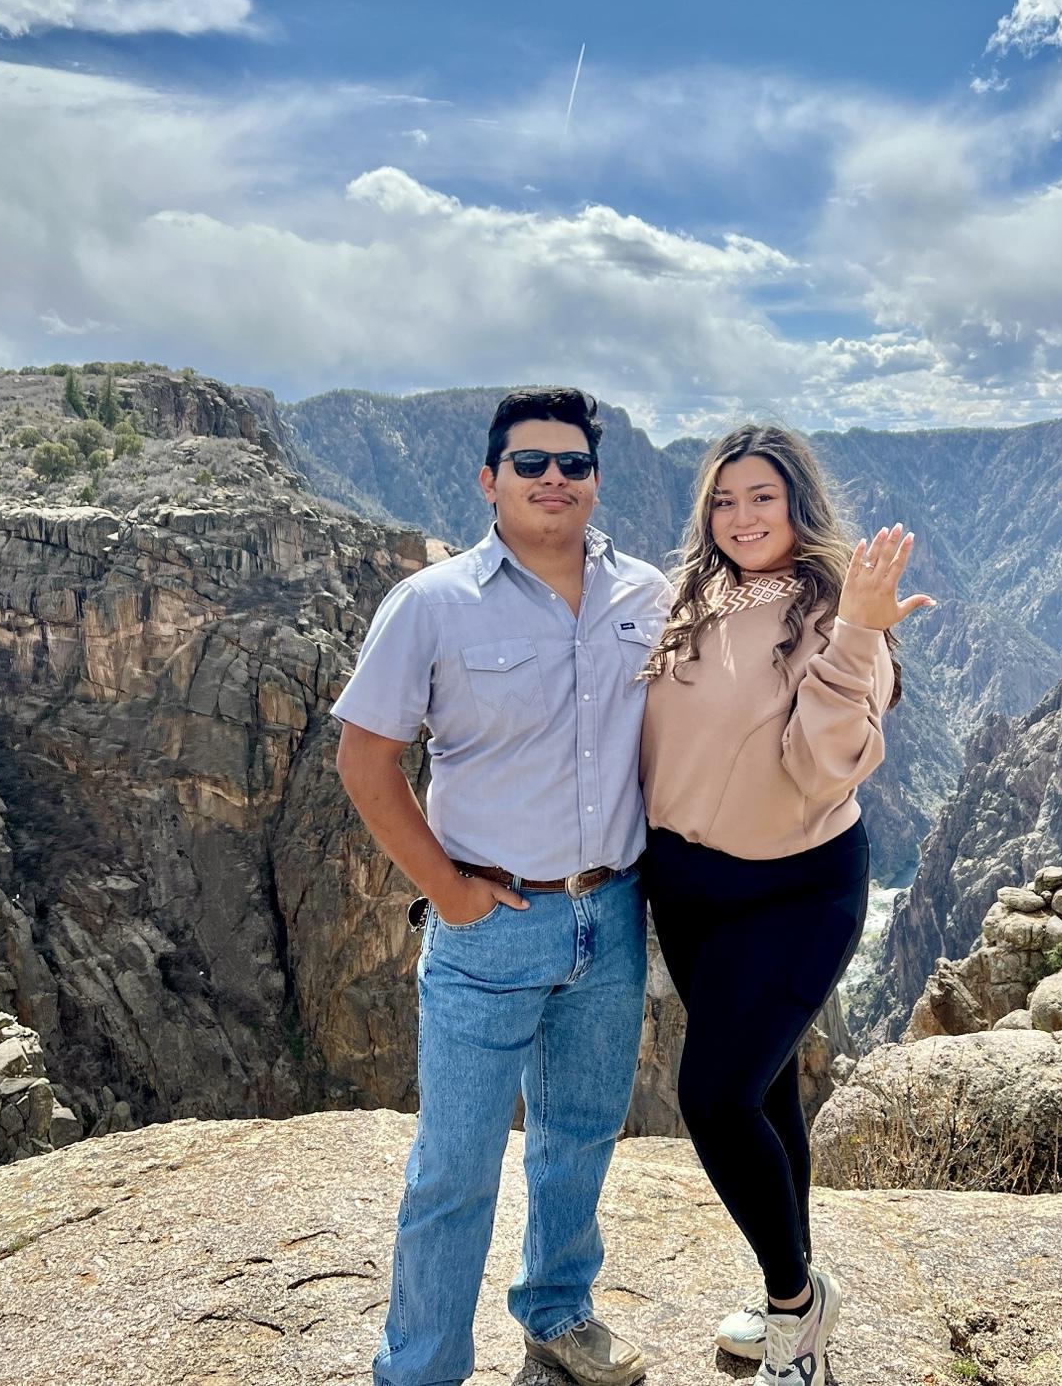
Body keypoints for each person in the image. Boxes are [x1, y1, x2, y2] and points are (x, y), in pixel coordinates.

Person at [332, 387, 669, 1386]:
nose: (553, 478)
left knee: (580, 1136)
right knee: (456, 1165)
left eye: (574, 463)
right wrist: (448, 890)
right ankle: (422, 1368)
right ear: (490, 479)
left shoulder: (646, 595)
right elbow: (365, 760)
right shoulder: (432, 604)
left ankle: (558, 1312)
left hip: (612, 913)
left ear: (596, 479)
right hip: (493, 925)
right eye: (531, 463)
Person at [638, 423, 931, 1386]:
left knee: (713, 1099)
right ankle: (788, 1289)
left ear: (798, 503)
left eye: (761, 496)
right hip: (689, 889)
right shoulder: (689, 597)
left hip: (795, 891)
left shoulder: (839, 613)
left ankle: (798, 1311)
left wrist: (860, 630)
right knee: (764, 1092)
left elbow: (822, 765)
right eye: (723, 500)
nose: (741, 516)